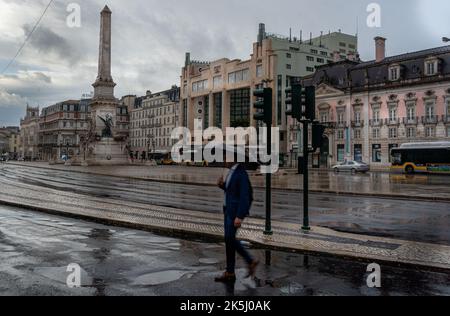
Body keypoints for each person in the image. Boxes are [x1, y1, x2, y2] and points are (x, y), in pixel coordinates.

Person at [215, 162, 259, 283]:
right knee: (228, 240)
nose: (224, 159)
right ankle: (230, 272)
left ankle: (250, 261)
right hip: (227, 210)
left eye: (226, 156)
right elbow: (232, 190)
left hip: (234, 213)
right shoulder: (231, 171)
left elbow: (245, 196)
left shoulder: (241, 173)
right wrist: (222, 186)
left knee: (230, 238)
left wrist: (240, 216)